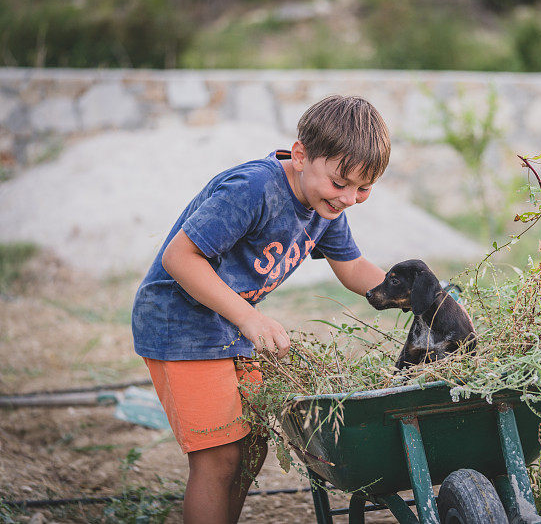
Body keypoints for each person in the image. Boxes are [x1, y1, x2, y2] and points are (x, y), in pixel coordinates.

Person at [131, 95, 389, 523]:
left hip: (228, 325)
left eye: (363, 189)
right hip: (180, 323)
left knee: (249, 451)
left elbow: (354, 267)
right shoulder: (254, 189)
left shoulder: (323, 204)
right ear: (302, 155)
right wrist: (249, 317)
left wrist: (419, 296)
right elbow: (180, 259)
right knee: (217, 458)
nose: (348, 198)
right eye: (341, 183)